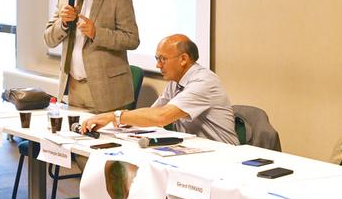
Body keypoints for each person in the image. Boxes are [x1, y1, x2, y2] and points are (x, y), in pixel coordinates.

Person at [81, 34, 239, 145]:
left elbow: (161, 117)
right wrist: (120, 122)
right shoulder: (175, 82)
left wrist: (113, 116)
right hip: (198, 150)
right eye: (157, 59)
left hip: (221, 155)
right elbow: (151, 115)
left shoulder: (203, 81)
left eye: (163, 59)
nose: (158, 65)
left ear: (183, 59)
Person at [44, 0, 139, 113]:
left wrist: (96, 33)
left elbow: (132, 39)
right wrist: (63, 24)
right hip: (73, 88)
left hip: (108, 91)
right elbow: (49, 39)